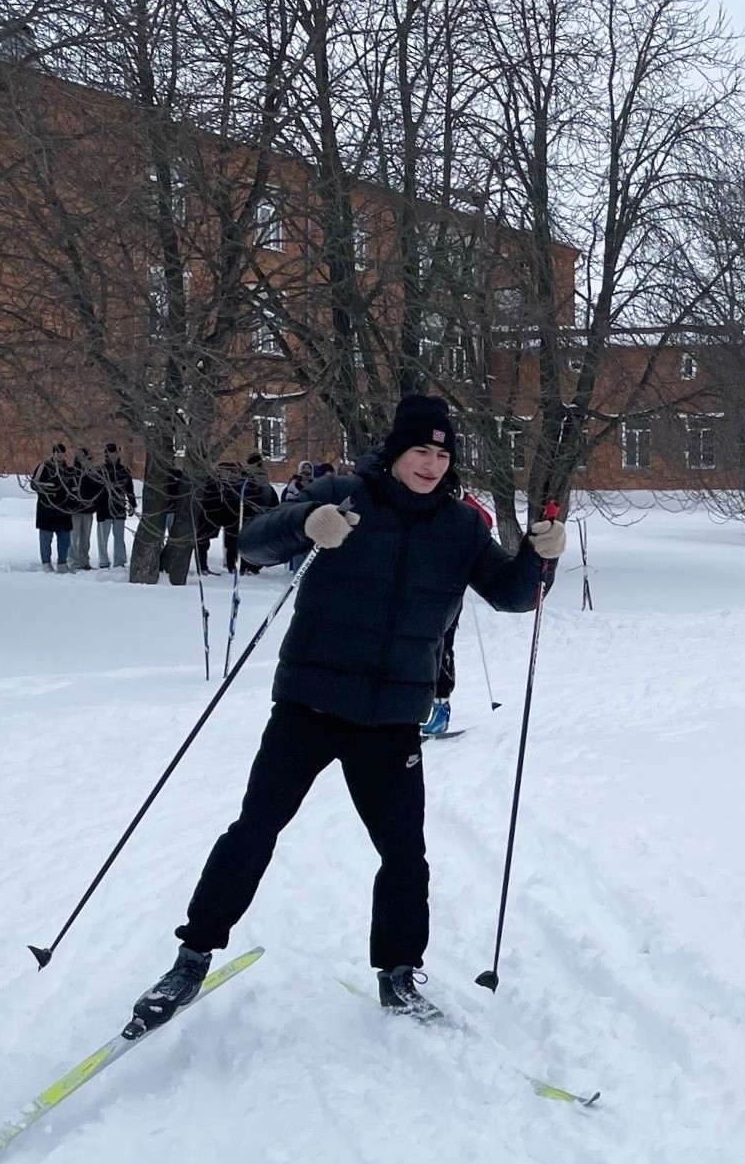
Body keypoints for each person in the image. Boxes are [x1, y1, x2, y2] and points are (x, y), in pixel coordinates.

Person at [126, 396, 566, 1029]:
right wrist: (306, 524)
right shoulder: (345, 495)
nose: (431, 463)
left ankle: (398, 974)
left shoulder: (462, 527)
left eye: (442, 454)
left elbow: (514, 596)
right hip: (309, 703)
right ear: (395, 451)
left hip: (390, 718)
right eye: (420, 449)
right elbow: (253, 544)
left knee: (404, 855)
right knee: (255, 830)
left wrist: (537, 557)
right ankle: (192, 957)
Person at [419, 491, 496, 739]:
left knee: (439, 647)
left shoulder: (459, 500)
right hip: (410, 587)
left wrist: (462, 496)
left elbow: (485, 522)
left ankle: (440, 707)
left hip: (447, 590)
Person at [31, 443, 75, 571]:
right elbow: (34, 484)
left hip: (64, 511)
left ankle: (62, 563)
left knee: (65, 539)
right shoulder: (44, 467)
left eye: (61, 453)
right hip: (47, 510)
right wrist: (50, 491)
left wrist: (71, 503)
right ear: (53, 454)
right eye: (57, 452)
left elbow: (74, 489)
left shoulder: (69, 471)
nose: (59, 455)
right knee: (46, 539)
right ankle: (46, 563)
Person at [96, 444, 134, 569]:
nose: (112, 456)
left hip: (119, 507)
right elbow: (95, 491)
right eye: (110, 453)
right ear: (106, 455)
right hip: (103, 508)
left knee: (119, 537)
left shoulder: (124, 471)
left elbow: (129, 489)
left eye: (114, 453)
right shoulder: (100, 471)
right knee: (103, 538)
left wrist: (132, 504)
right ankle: (103, 561)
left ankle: (120, 560)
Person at [66, 448, 101, 571]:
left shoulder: (92, 474)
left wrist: (93, 504)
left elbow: (97, 490)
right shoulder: (72, 473)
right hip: (75, 511)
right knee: (73, 538)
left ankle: (84, 561)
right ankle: (73, 561)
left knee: (85, 539)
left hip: (88, 511)